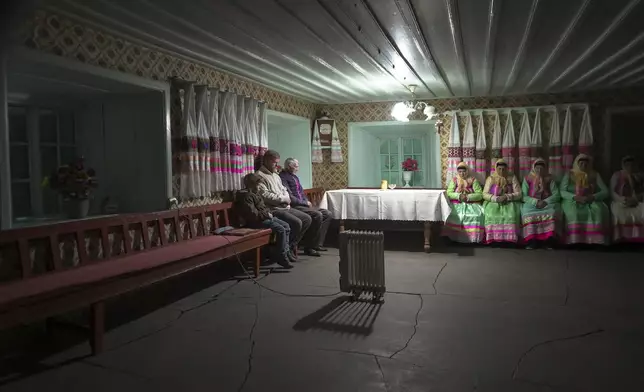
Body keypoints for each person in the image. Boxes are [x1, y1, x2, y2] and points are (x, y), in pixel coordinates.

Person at [256, 150, 320, 257]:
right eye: (274, 162)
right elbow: (264, 195)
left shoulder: (276, 175)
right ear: (266, 161)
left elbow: (284, 189)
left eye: (277, 162)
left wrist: (286, 197)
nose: (277, 165)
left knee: (307, 219)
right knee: (297, 222)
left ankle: (289, 247)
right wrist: (283, 199)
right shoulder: (260, 175)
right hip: (273, 209)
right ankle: (284, 251)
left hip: (285, 206)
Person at [234, 173, 293, 269]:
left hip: (265, 218)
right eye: (257, 184)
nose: (259, 187)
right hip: (255, 222)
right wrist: (267, 215)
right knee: (280, 229)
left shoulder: (255, 194)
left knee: (286, 226)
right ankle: (281, 256)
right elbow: (253, 215)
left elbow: (263, 207)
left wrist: (269, 213)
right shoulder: (246, 196)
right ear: (250, 184)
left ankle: (284, 252)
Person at [279, 157, 332, 251]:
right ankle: (309, 246)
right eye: (295, 166)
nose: (297, 168)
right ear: (289, 166)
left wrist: (307, 201)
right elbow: (290, 197)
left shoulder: (294, 176)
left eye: (297, 166)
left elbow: (301, 192)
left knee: (327, 214)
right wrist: (304, 203)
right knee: (317, 215)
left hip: (303, 205)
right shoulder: (283, 177)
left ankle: (318, 244)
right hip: (295, 206)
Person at [560, 154, 609, 245]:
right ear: (577, 164)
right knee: (574, 212)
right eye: (581, 163)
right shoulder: (570, 174)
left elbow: (605, 191)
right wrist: (574, 197)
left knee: (598, 210)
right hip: (573, 200)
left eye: (586, 164)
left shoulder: (594, 174)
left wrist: (593, 196)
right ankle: (575, 241)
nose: (583, 166)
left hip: (590, 200)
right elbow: (562, 191)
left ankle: (595, 241)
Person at [521, 158, 561, 249]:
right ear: (533, 168)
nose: (539, 170)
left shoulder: (550, 179)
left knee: (552, 213)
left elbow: (556, 194)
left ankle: (549, 241)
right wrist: (535, 201)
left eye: (541, 168)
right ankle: (532, 241)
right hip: (532, 204)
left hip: (547, 203)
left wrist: (546, 201)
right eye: (537, 168)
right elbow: (523, 196)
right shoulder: (527, 179)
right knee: (527, 214)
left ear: (545, 169)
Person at [442, 162, 485, 243]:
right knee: (452, 214)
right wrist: (458, 196)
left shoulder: (473, 180)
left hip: (471, 204)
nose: (462, 173)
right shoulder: (454, 180)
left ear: (467, 171)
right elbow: (449, 192)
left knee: (477, 215)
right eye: (460, 172)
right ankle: (454, 238)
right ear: (457, 172)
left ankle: (471, 239)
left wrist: (468, 197)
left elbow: (479, 194)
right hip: (456, 203)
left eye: (464, 171)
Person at [482, 159, 522, 244]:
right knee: (491, 215)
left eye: (503, 169)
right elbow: (484, 194)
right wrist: (496, 198)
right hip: (494, 202)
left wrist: (507, 196)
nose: (501, 171)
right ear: (496, 168)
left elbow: (519, 194)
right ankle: (494, 240)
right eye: (499, 169)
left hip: (510, 202)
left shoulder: (512, 177)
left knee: (511, 215)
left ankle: (509, 240)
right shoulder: (491, 178)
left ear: (507, 168)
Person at [610, 155, 644, 243]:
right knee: (619, 212)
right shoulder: (617, 175)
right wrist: (623, 199)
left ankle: (637, 239)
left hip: (636, 201)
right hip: (621, 201)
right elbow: (612, 192)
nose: (630, 167)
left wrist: (636, 199)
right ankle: (621, 239)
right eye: (627, 165)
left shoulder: (639, 176)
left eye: (632, 165)